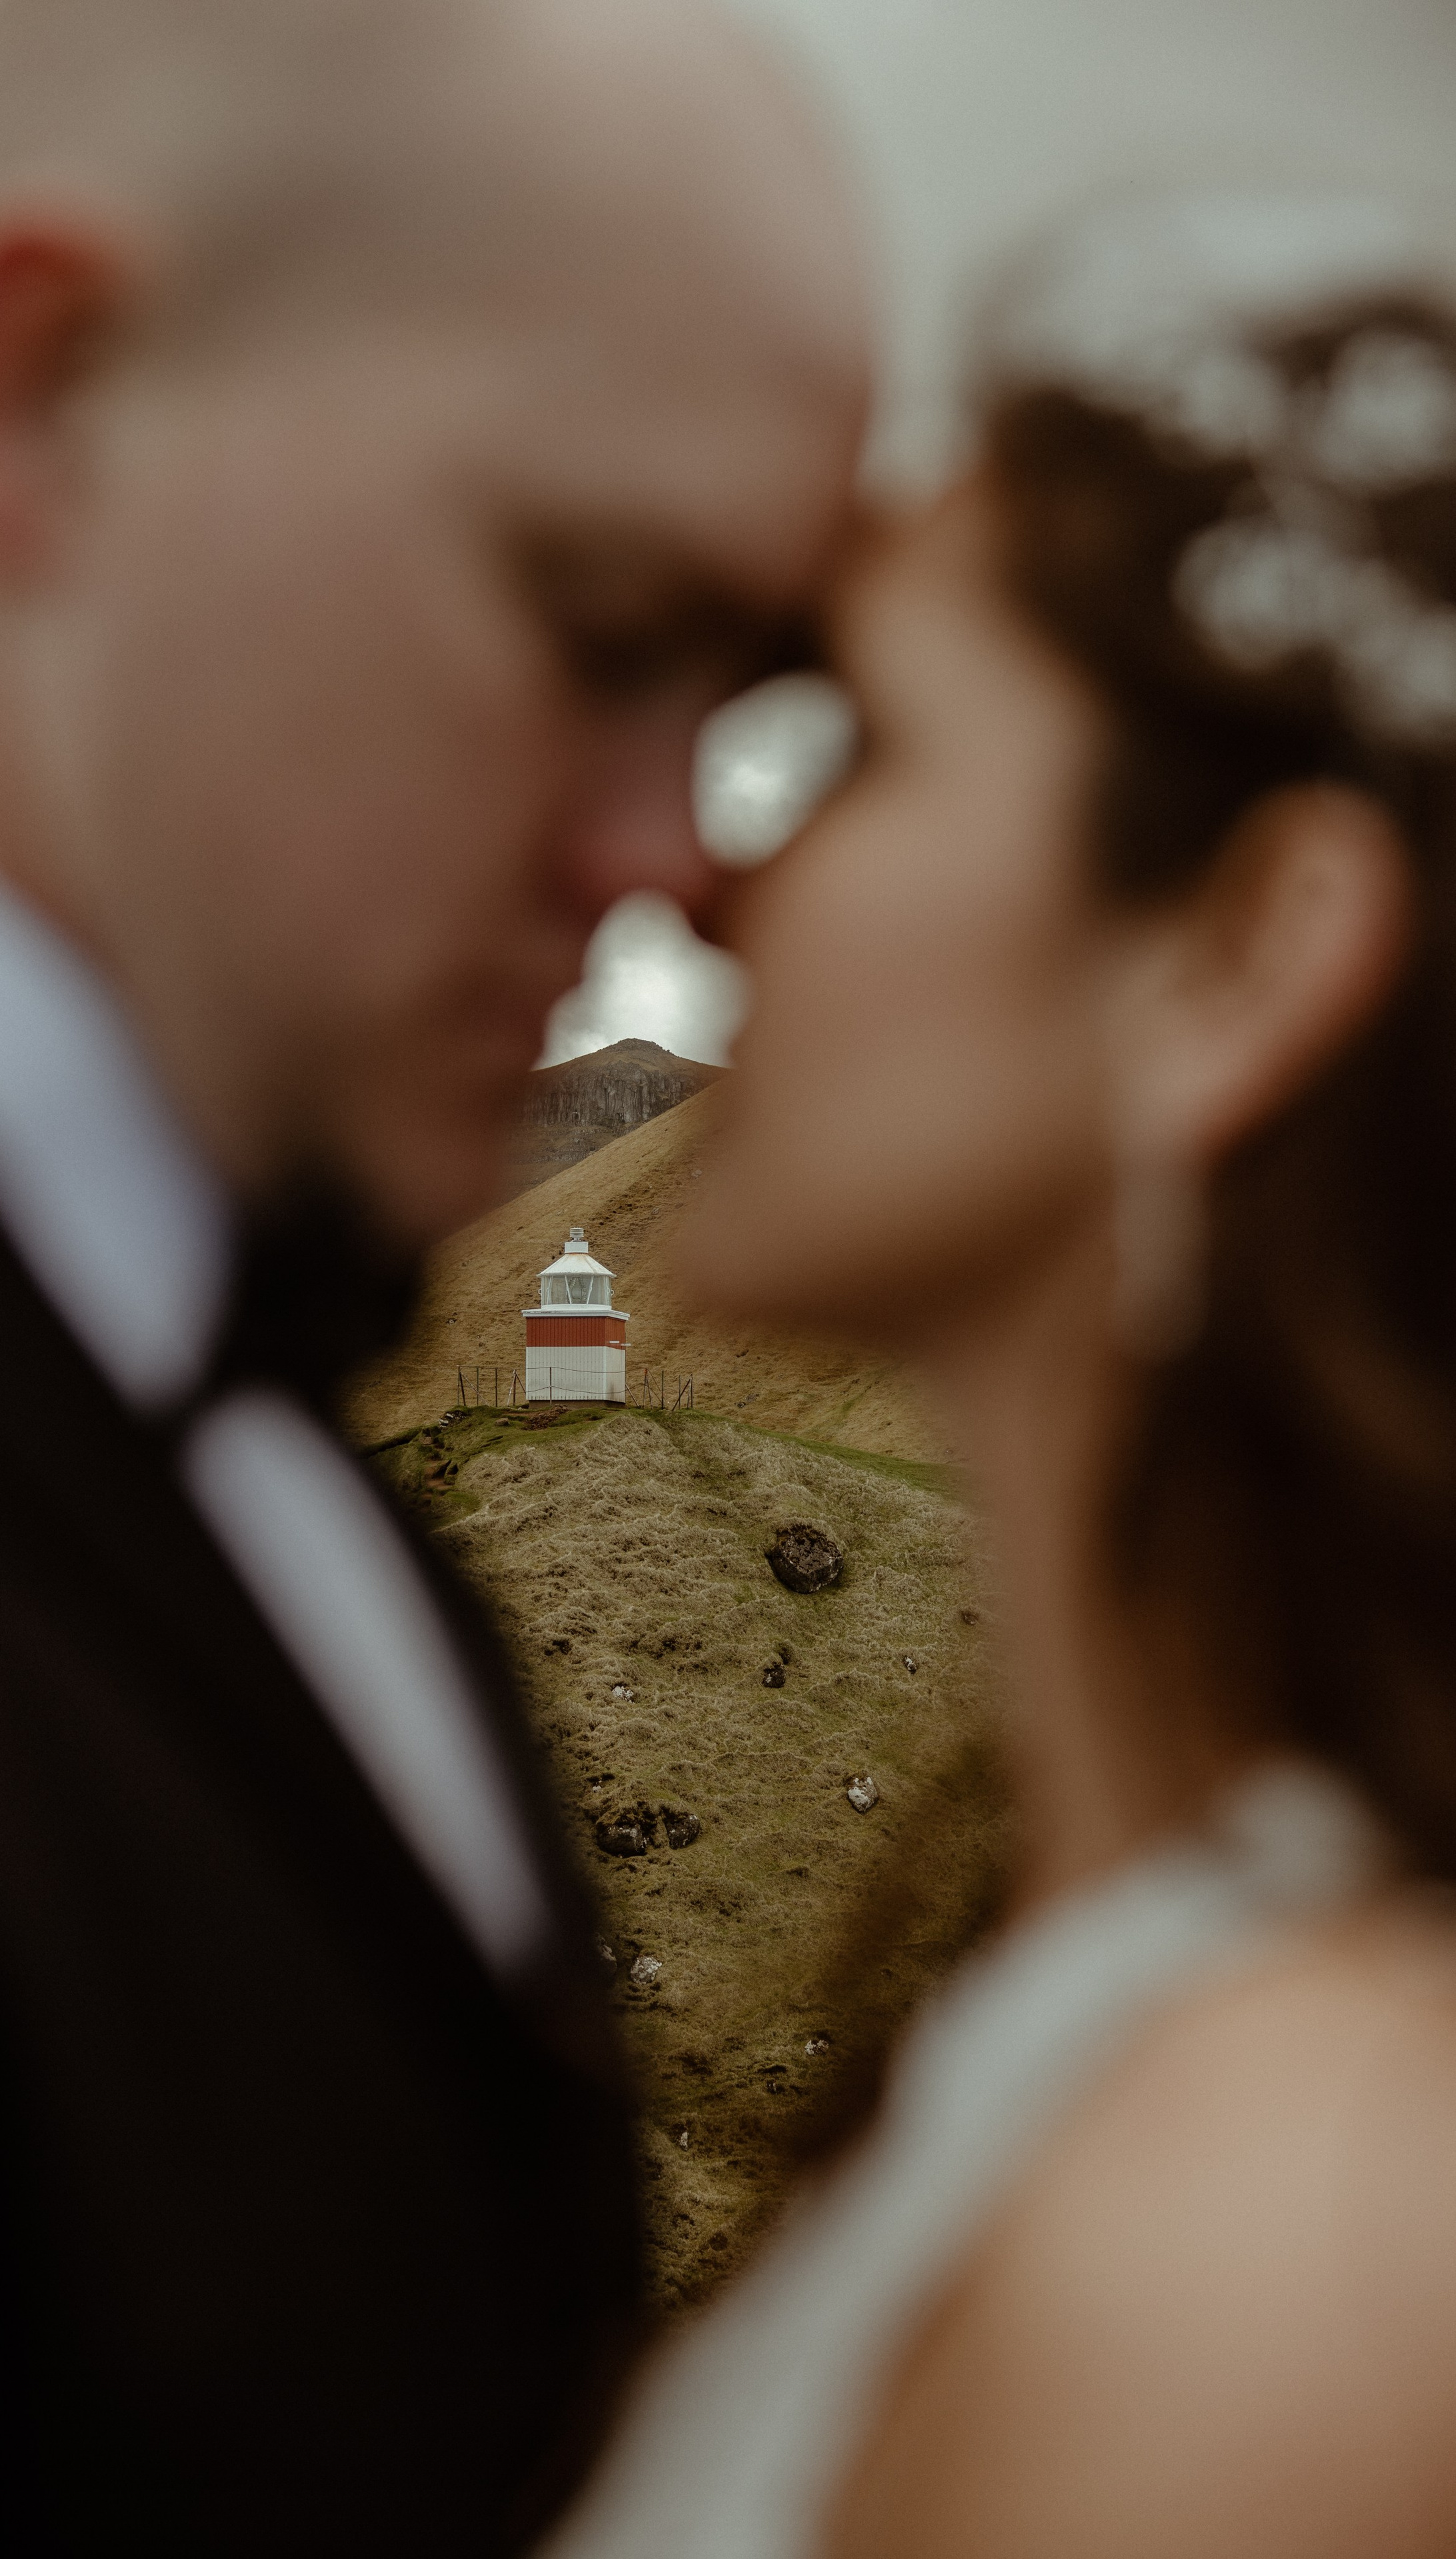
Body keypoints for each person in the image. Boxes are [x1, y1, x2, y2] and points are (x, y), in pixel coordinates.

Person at [0, 0, 869, 2546]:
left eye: (752, 698)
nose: (684, 854)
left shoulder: (244, 1400)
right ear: (44, 389)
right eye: (601, 624)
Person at [541, 195, 1456, 2559]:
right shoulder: (1139, 2040)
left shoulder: (1271, 2256)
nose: (713, 883)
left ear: (1247, 952)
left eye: (861, 741)